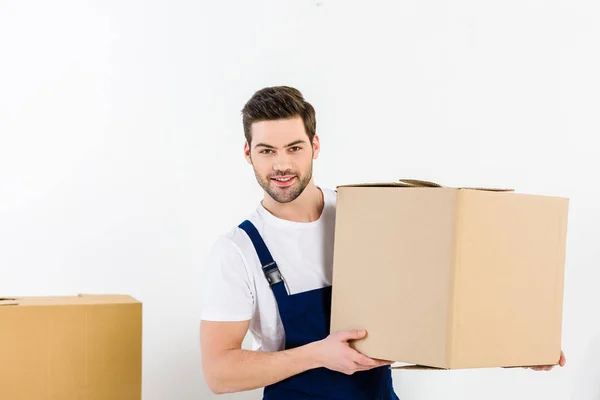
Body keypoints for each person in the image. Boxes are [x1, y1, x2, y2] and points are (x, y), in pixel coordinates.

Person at [199, 86, 566, 399]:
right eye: (267, 151)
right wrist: (318, 355)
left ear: (315, 145)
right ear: (248, 153)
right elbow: (219, 372)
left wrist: (517, 347)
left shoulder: (368, 217)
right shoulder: (237, 251)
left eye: (294, 148)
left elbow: (430, 308)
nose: (281, 165)